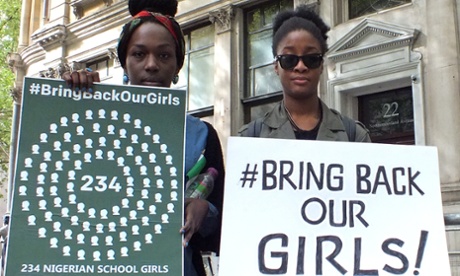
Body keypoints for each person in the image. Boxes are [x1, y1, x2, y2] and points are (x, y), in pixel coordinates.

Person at [63, 1, 225, 275]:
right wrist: (71, 100)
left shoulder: (202, 136)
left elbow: (223, 223)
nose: (151, 65)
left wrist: (204, 211)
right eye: (139, 54)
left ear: (177, 67)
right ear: (124, 63)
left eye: (164, 56)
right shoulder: (94, 123)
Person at [239, 6, 371, 142]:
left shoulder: (354, 135)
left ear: (321, 65)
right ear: (276, 67)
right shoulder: (250, 137)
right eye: (289, 59)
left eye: (311, 59)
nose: (300, 67)